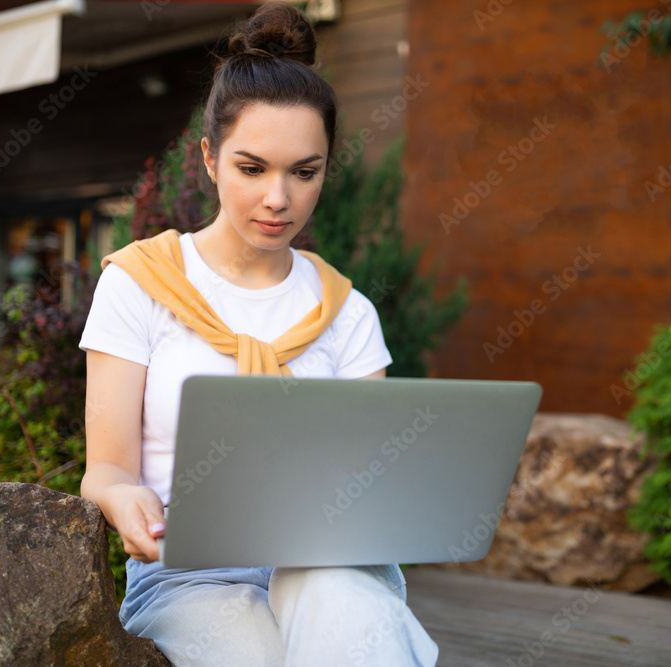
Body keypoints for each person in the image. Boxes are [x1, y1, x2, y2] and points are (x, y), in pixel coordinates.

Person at [77, 3, 440, 665]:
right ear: (211, 160)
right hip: (187, 576)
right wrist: (121, 495)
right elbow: (104, 468)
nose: (279, 198)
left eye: (305, 172)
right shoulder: (139, 284)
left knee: (350, 609)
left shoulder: (347, 312)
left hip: (320, 568)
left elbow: (364, 488)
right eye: (253, 168)